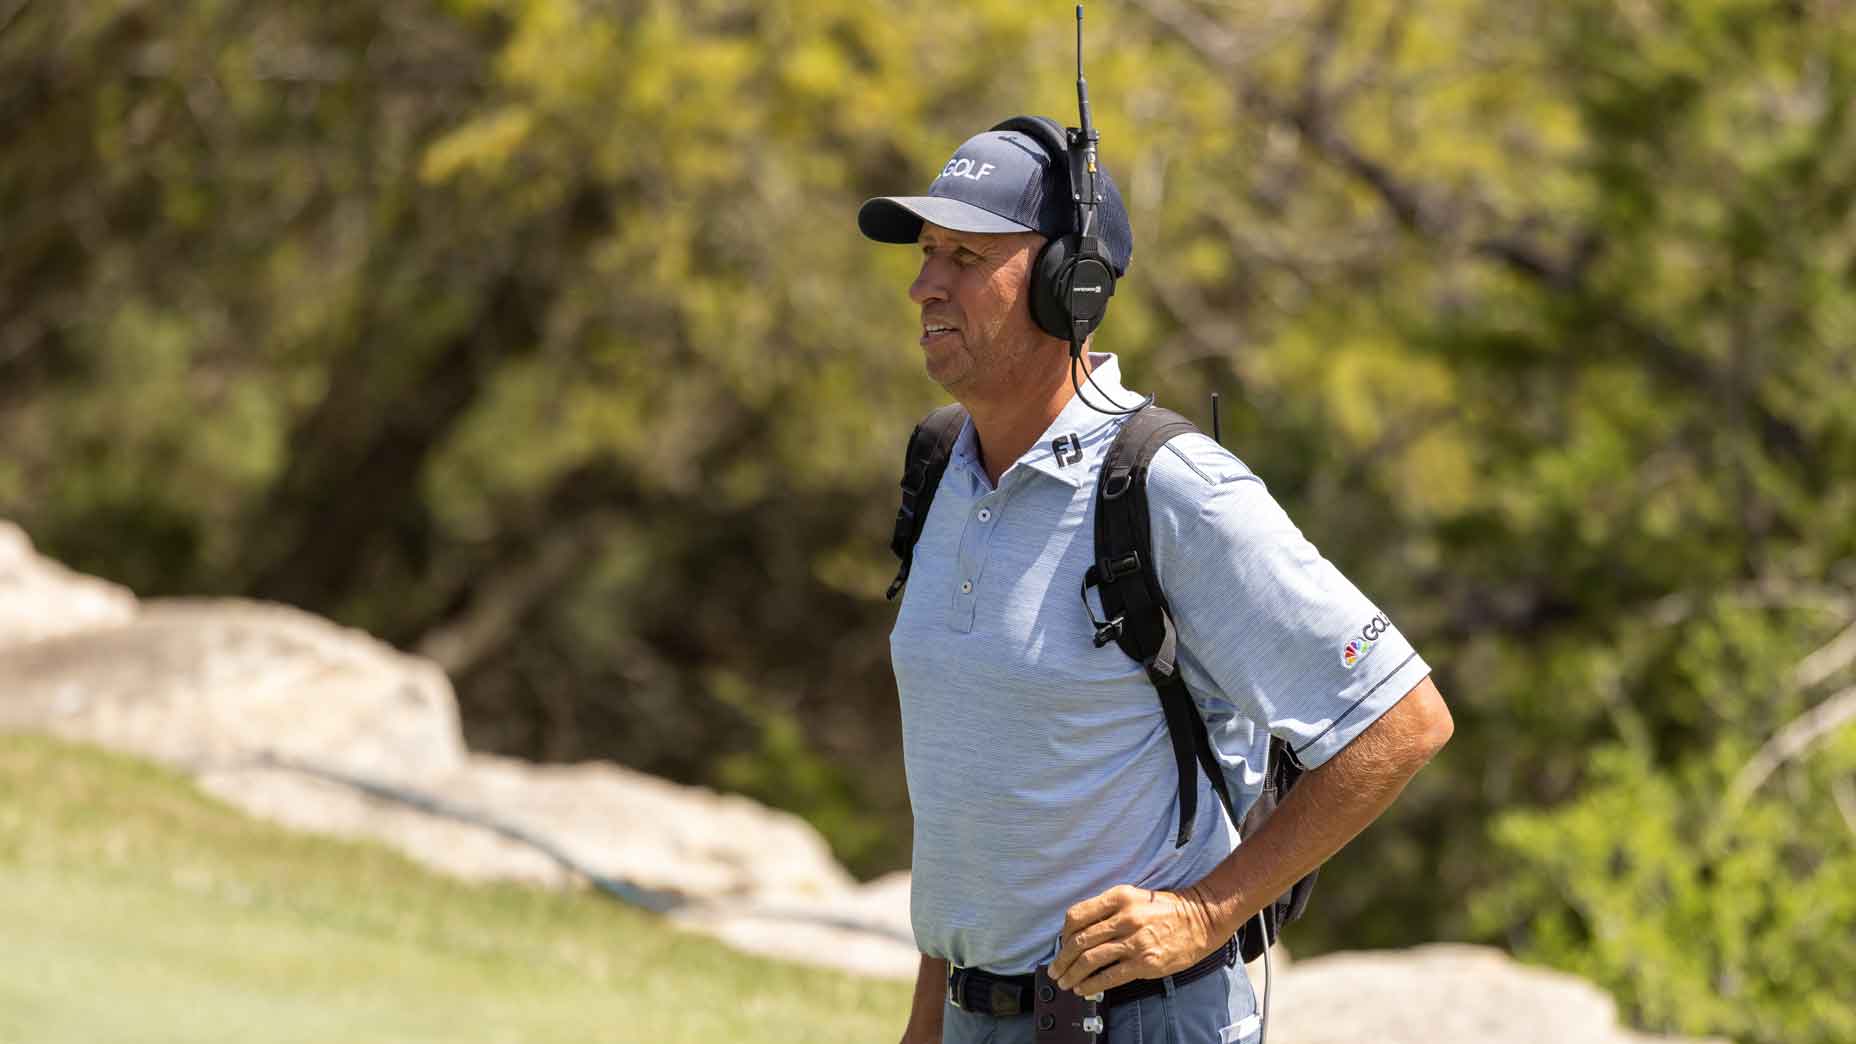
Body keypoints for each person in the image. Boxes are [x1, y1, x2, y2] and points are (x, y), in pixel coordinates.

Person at [859, 119, 1455, 1044]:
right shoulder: (941, 466)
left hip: (1142, 1025)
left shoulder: (1173, 486)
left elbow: (1402, 718)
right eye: (928, 252)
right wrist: (926, 1025)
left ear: (1071, 283)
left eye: (968, 256)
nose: (925, 284)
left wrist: (1207, 914)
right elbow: (973, 796)